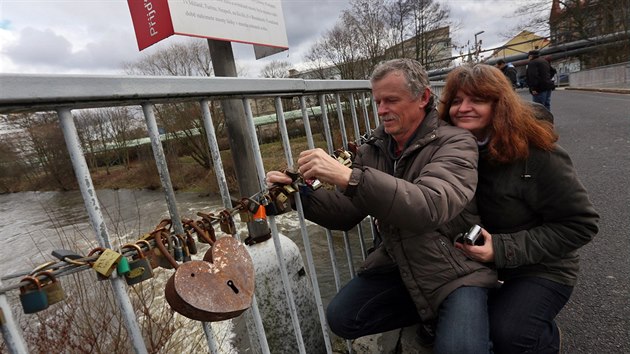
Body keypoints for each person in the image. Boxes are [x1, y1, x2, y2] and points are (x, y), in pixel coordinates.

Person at [266, 58, 497, 353]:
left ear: (423, 98)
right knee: (342, 318)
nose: (382, 110)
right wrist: (299, 193)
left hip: (455, 271)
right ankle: (433, 315)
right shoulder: (373, 149)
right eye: (377, 101)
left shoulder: (455, 142)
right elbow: (346, 214)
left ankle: (467, 315)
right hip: (401, 264)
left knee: (460, 349)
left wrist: (350, 177)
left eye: (391, 100)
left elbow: (430, 205)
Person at [438, 64, 599, 354]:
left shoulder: (537, 153)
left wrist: (500, 249)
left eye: (477, 100)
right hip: (483, 263)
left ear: (499, 105)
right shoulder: (451, 152)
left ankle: (545, 340)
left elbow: (581, 224)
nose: (463, 108)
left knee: (508, 334)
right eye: (456, 101)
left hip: (542, 267)